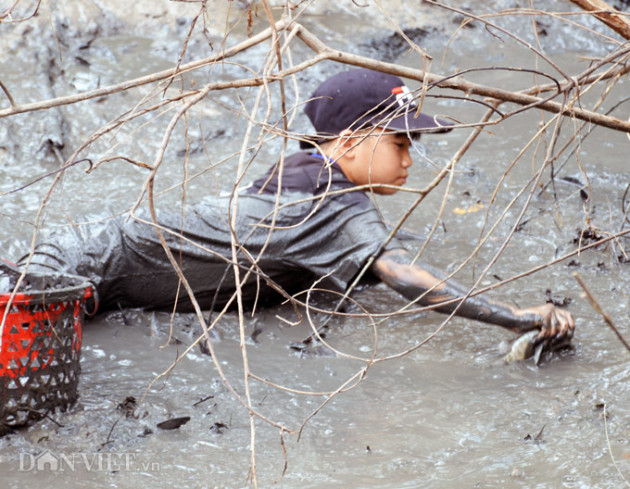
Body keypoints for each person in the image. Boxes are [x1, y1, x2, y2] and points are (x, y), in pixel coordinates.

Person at [20, 68, 574, 346]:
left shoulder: (294, 172)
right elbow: (405, 278)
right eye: (401, 143)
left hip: (91, 252)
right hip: (84, 267)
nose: (410, 160)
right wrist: (515, 316)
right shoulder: (337, 203)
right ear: (352, 143)